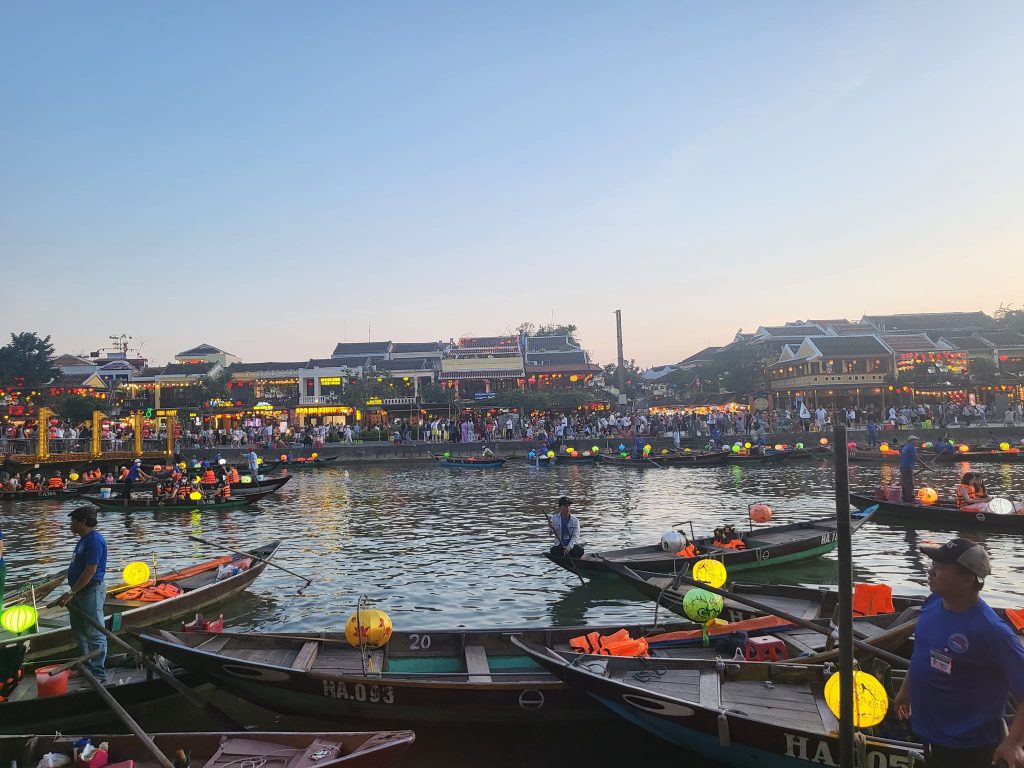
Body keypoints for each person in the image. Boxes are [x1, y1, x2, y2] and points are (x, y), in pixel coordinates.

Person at [894, 538, 1024, 767]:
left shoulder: (991, 631)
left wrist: (1013, 742)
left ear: (967, 577)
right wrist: (906, 691)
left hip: (969, 748)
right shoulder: (932, 603)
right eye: (932, 565)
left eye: (939, 567)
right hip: (928, 731)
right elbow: (922, 652)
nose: (931, 571)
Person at [56, 507, 108, 683]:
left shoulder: (94, 541)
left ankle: (99, 673)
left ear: (83, 522)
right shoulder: (83, 540)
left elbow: (90, 570)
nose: (71, 524)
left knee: (95, 632)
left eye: (73, 521)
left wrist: (72, 591)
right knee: (79, 631)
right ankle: (86, 666)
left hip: (90, 591)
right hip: (78, 592)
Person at [899, 435, 923, 503]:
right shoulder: (912, 447)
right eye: (916, 440)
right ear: (912, 441)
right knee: (909, 484)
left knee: (904, 483)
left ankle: (905, 498)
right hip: (907, 467)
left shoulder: (905, 447)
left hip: (902, 467)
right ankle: (910, 500)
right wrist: (923, 464)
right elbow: (915, 457)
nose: (917, 442)